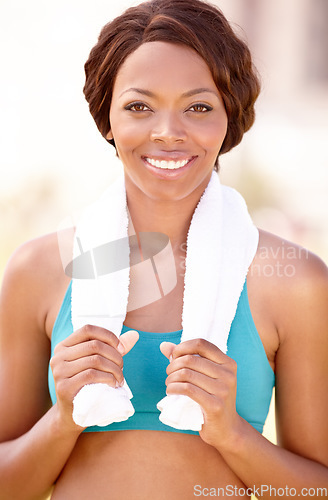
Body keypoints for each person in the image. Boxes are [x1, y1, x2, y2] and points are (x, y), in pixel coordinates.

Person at [0, 0, 327, 498]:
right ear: (106, 118)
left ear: (228, 118)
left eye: (198, 107)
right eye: (139, 106)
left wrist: (232, 434)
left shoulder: (293, 283)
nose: (168, 132)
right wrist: (64, 420)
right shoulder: (40, 271)